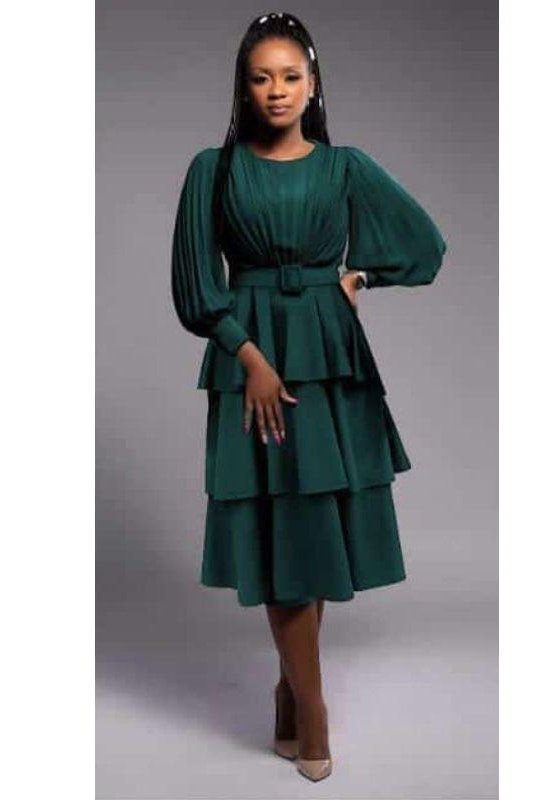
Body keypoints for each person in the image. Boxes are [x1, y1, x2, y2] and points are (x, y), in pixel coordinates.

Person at [170, 11, 447, 782]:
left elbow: (424, 245)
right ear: (243, 88)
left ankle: (293, 694)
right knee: (282, 527)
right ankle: (312, 706)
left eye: (291, 76)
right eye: (261, 77)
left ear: (314, 83)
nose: (277, 90)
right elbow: (195, 287)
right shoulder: (213, 170)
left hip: (329, 357)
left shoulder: (344, 167)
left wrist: (358, 276)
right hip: (253, 356)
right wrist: (248, 357)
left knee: (314, 522)